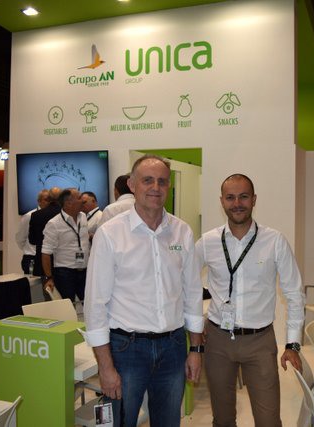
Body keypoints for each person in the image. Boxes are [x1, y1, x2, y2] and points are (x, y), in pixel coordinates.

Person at [84, 155, 203, 427]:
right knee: (121, 422)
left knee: (168, 421)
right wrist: (105, 366)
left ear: (169, 186)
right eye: (147, 180)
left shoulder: (182, 232)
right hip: (126, 349)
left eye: (162, 181)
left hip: (173, 347)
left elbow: (192, 294)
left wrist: (196, 349)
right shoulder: (110, 233)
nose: (155, 187)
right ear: (132, 184)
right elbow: (95, 305)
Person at [195, 173, 305, 427]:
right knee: (222, 419)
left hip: (260, 342)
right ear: (222, 201)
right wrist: (195, 324)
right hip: (218, 341)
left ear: (254, 200)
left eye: (243, 197)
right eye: (230, 197)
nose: (237, 203)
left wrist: (292, 344)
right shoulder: (208, 242)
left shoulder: (274, 241)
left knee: (268, 420)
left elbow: (294, 293)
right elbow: (185, 284)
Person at [41, 188, 90, 302]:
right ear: (68, 203)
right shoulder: (54, 224)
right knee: (68, 306)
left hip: (84, 271)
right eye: (79, 198)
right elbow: (46, 253)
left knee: (88, 304)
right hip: (65, 274)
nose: (83, 200)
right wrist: (49, 278)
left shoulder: (83, 217)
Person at [28, 186, 62, 276]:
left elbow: (32, 240)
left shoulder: (36, 215)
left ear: (49, 198)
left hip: (42, 263)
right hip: (63, 262)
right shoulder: (65, 214)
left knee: (46, 285)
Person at [15, 189, 49, 274]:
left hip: (46, 257)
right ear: (39, 201)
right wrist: (29, 249)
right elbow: (20, 238)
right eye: (46, 199)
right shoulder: (29, 216)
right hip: (32, 256)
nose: (48, 202)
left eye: (50, 200)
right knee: (33, 282)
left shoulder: (53, 216)